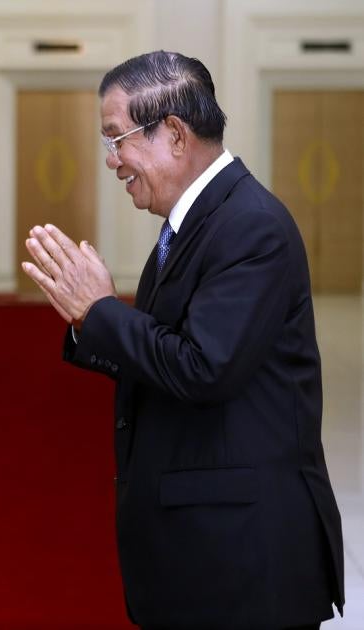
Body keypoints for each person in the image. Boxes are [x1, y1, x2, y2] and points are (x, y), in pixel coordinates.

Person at [22, 51, 344, 629]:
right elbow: (167, 352)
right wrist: (87, 321)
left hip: (244, 563)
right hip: (208, 552)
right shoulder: (195, 224)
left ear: (173, 133)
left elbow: (203, 367)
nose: (111, 159)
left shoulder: (251, 225)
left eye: (118, 139)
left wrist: (100, 311)